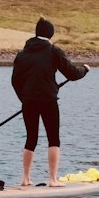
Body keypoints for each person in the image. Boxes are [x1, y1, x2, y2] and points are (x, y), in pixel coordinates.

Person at [11, 18, 90, 187]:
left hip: (29, 102)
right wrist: (85, 69)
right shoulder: (53, 51)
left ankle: (25, 179)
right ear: (51, 34)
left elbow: (15, 81)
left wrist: (24, 98)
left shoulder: (22, 54)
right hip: (48, 101)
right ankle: (53, 180)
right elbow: (72, 74)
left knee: (31, 138)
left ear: (36, 33)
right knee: (53, 138)